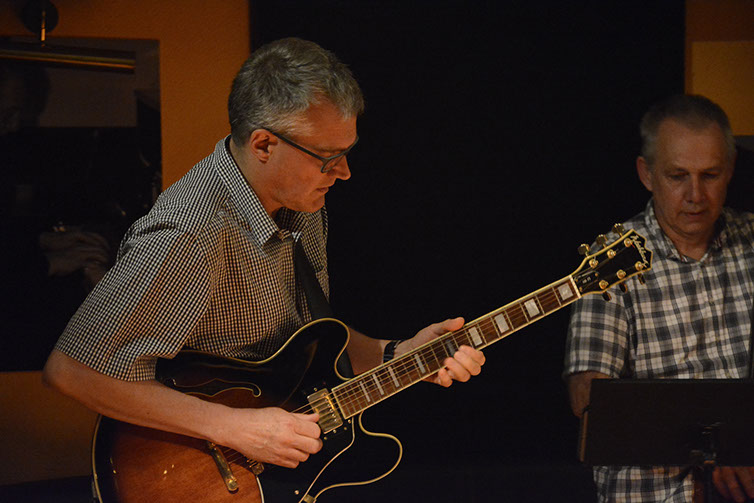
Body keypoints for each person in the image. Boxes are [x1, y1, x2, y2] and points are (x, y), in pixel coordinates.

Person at [43, 38, 485, 473]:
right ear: (263, 146)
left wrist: (398, 353)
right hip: (193, 470)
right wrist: (233, 427)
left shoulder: (301, 202)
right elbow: (72, 370)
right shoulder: (191, 232)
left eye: (347, 153)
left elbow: (304, 343)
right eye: (327, 158)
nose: (344, 172)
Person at [564, 94, 754, 503]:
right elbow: (588, 398)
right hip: (653, 491)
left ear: (731, 169)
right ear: (646, 174)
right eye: (677, 176)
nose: (695, 195)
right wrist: (716, 450)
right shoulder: (609, 259)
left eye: (710, 175)